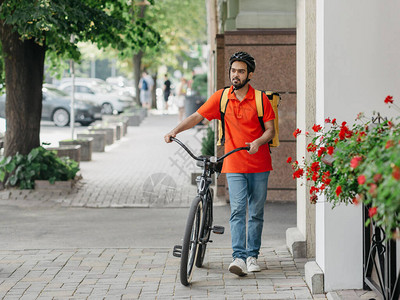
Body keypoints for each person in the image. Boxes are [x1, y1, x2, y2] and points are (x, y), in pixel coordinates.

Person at [164, 52, 275, 276]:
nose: (236, 74)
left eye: (241, 71)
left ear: (250, 74)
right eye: (233, 70)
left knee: (255, 212)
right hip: (233, 163)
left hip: (260, 164)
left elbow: (270, 130)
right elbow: (197, 116)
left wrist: (257, 142)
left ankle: (253, 255)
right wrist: (175, 130)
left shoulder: (261, 100)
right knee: (237, 211)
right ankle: (239, 258)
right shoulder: (222, 97)